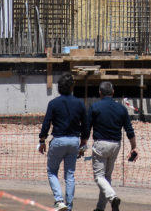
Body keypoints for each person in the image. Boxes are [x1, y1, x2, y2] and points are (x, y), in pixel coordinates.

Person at [39, 72, 89, 211]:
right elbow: (85, 124)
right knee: (70, 175)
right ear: (72, 87)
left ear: (59, 87)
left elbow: (46, 123)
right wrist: (84, 141)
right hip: (74, 141)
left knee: (52, 171)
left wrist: (42, 140)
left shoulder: (53, 103)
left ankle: (59, 200)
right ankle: (69, 206)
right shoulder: (79, 104)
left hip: (58, 140)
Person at [84, 81, 138, 211]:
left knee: (99, 176)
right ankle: (100, 207)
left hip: (100, 144)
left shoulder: (95, 107)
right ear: (113, 92)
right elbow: (129, 130)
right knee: (107, 177)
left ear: (100, 93)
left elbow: (86, 128)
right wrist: (134, 147)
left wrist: (83, 143)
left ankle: (113, 197)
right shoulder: (121, 108)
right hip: (116, 145)